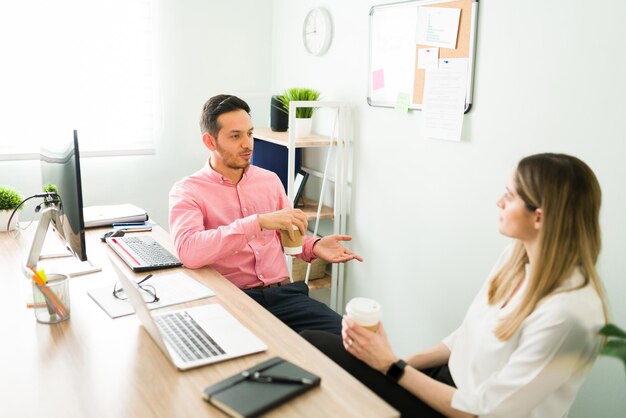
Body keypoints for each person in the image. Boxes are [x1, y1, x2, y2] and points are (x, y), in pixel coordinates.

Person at [303, 153, 608, 417]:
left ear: (538, 217)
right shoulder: (516, 258)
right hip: (448, 383)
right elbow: (467, 335)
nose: (499, 201)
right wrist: (397, 361)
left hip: (465, 410)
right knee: (315, 344)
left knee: (319, 348)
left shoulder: (569, 314)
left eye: (510, 196)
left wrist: (390, 368)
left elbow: (482, 410)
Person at [169, 94, 362, 335]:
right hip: (232, 300)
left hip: (284, 296)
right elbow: (189, 251)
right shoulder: (187, 190)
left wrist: (314, 246)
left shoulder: (269, 181)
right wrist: (257, 223)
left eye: (249, 134)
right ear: (210, 142)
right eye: (235, 136)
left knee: (350, 339)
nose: (248, 144)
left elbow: (287, 237)